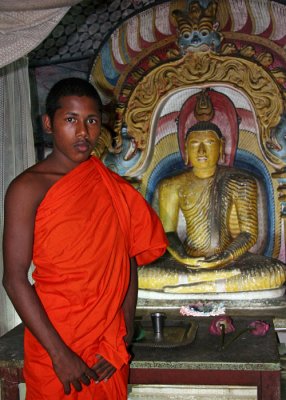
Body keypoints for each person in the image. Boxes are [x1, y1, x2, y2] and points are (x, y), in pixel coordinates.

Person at [2, 77, 167, 399]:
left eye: (91, 121)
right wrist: (59, 354)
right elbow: (14, 279)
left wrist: (124, 332)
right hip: (55, 343)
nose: (83, 132)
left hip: (107, 343)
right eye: (71, 120)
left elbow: (127, 263)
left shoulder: (113, 187)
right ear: (49, 124)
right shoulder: (27, 188)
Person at [138, 121, 286, 294]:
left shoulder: (241, 181)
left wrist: (225, 256)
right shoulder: (170, 185)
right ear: (185, 149)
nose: (201, 151)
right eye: (194, 144)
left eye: (209, 143)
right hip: (187, 261)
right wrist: (185, 258)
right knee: (140, 274)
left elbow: (248, 234)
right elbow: (167, 233)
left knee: (276, 272)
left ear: (221, 146)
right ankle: (209, 282)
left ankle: (190, 284)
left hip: (231, 261)